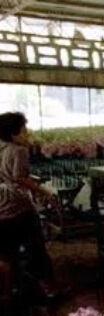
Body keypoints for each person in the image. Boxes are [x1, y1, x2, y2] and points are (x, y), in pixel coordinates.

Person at [0, 111, 60, 303]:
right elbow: (19, 177)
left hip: (1, 207)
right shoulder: (19, 150)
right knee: (36, 249)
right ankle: (49, 290)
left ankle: (6, 294)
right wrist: (45, 191)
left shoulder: (1, 148)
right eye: (24, 130)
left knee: (6, 253)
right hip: (18, 206)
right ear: (14, 134)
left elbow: (8, 174)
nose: (27, 134)